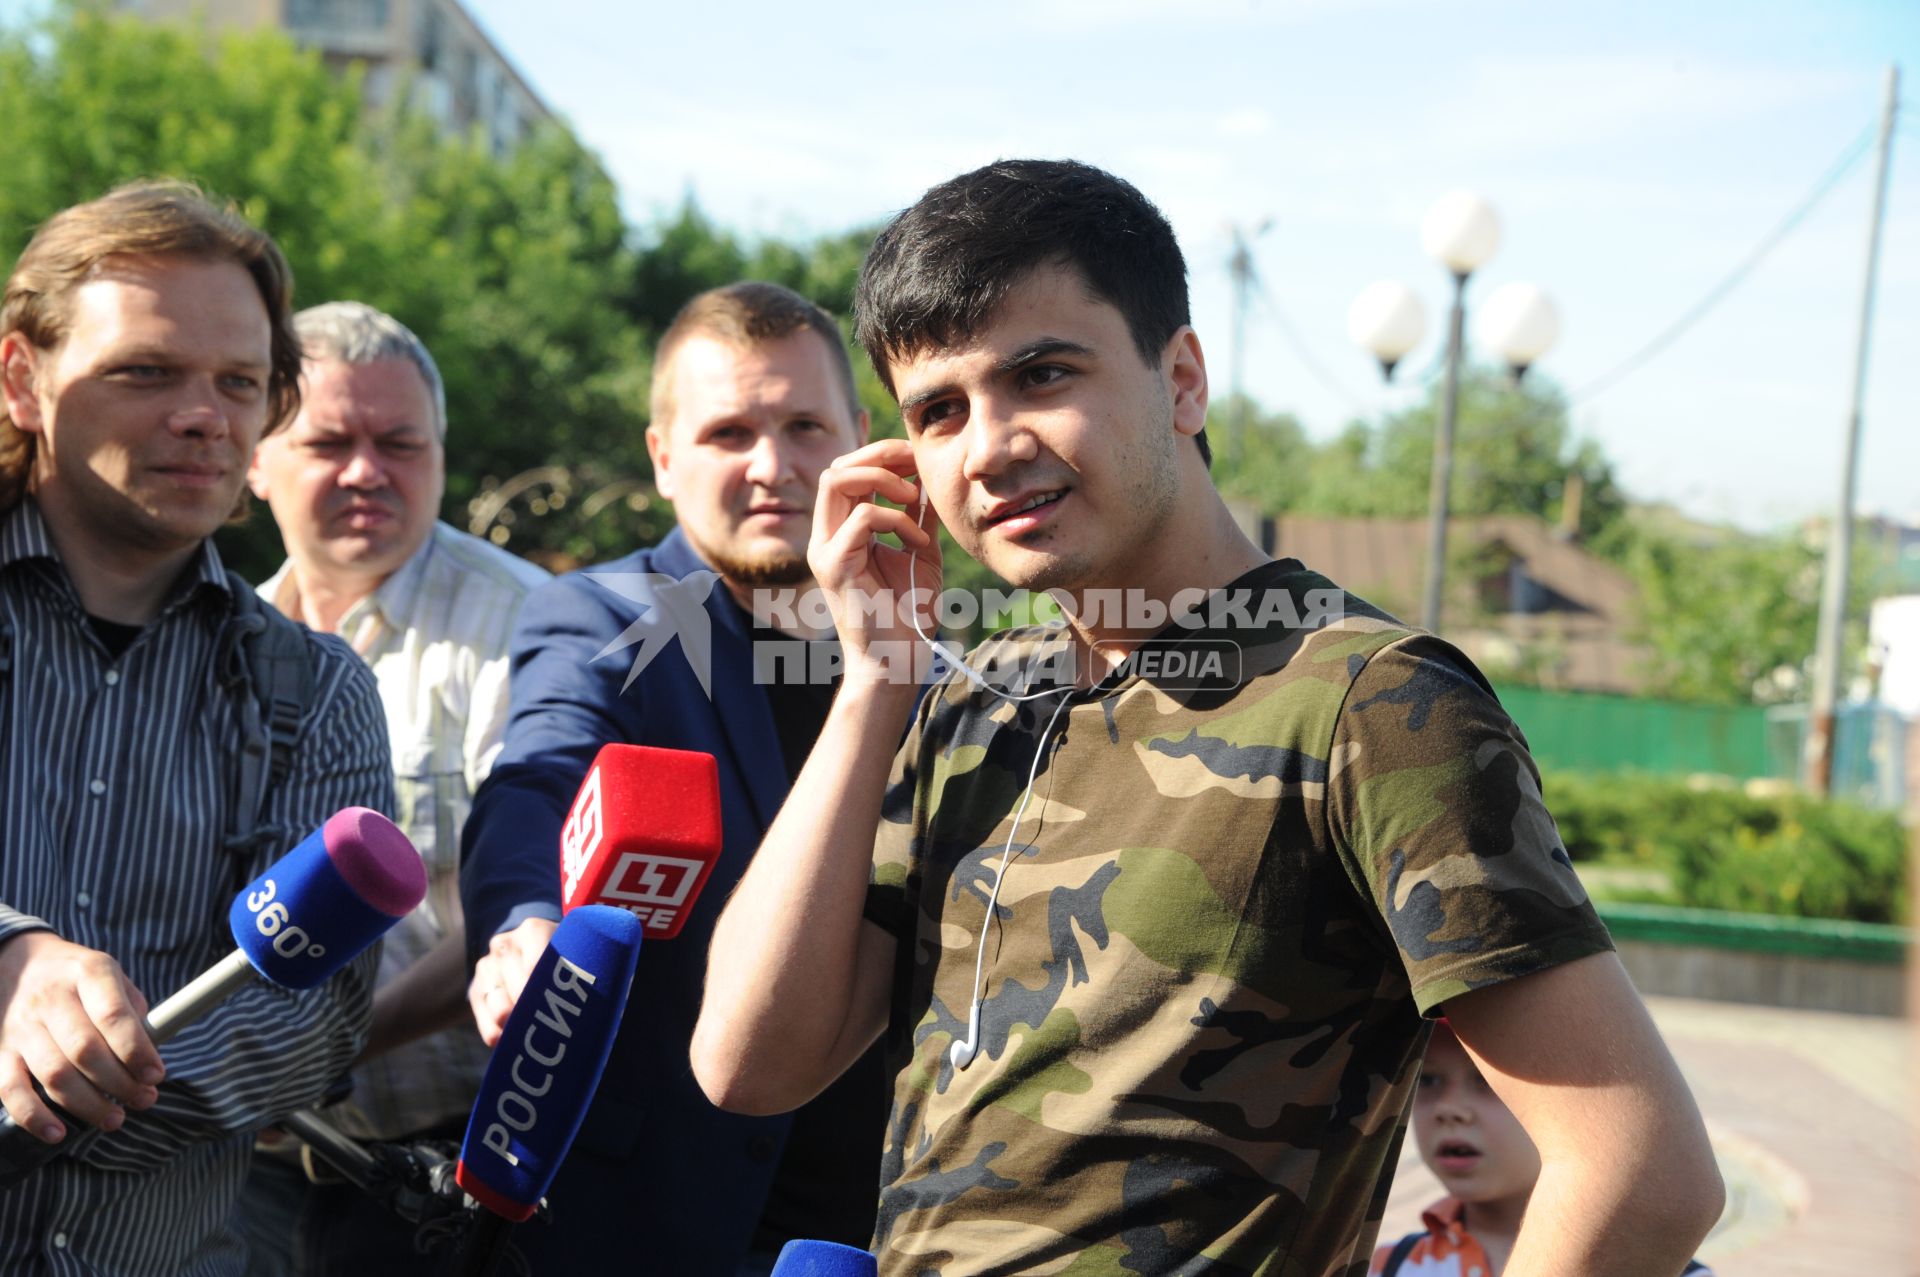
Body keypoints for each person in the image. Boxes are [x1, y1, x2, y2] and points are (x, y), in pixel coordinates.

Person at [690, 159, 1725, 1276]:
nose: (987, 446)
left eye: (1042, 374)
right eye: (939, 410)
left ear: (1182, 379)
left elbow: (1643, 1168)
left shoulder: (1373, 704)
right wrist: (873, 681)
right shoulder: (971, 700)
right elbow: (746, 1062)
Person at [0, 180, 390, 1274]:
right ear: (23, 378)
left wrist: (81, 1078)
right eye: (146, 371)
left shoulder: (319, 694)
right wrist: (9, 958)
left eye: (239, 381)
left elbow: (314, 1018)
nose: (203, 415)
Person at [460, 281, 888, 1274]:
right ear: (662, 457)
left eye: (804, 424)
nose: (772, 466)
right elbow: (537, 778)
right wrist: (526, 923)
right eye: (728, 431)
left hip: (871, 1229)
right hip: (644, 1223)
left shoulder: (923, 653)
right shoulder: (604, 620)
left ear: (859, 437)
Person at [238, 300, 549, 1269]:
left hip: (447, 1175)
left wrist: (326, 1045)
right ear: (256, 459)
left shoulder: (526, 626)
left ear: (442, 455)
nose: (368, 469)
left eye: (401, 442)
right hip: (241, 1170)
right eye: (329, 440)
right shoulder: (221, 634)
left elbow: (521, 906)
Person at [1372, 1018, 1716, 1276]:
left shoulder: (1671, 1272)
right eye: (1428, 1080)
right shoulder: (1387, 1266)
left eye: (1488, 1082)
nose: (1450, 1109)